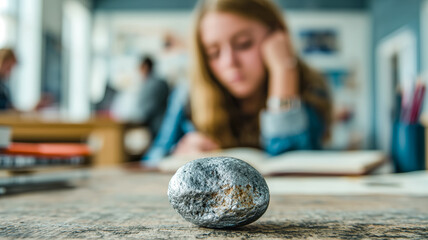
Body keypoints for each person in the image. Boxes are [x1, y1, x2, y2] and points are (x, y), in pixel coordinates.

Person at [142, 0, 332, 166]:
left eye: (244, 44)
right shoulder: (187, 95)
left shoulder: (309, 87)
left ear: (277, 37)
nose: (229, 62)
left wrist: (283, 72)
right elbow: (152, 161)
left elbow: (296, 167)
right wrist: (178, 156)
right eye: (213, 53)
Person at [137, 56, 170, 137]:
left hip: (158, 126)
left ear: (145, 67)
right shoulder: (154, 82)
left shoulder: (154, 83)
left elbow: (148, 108)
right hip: (159, 125)